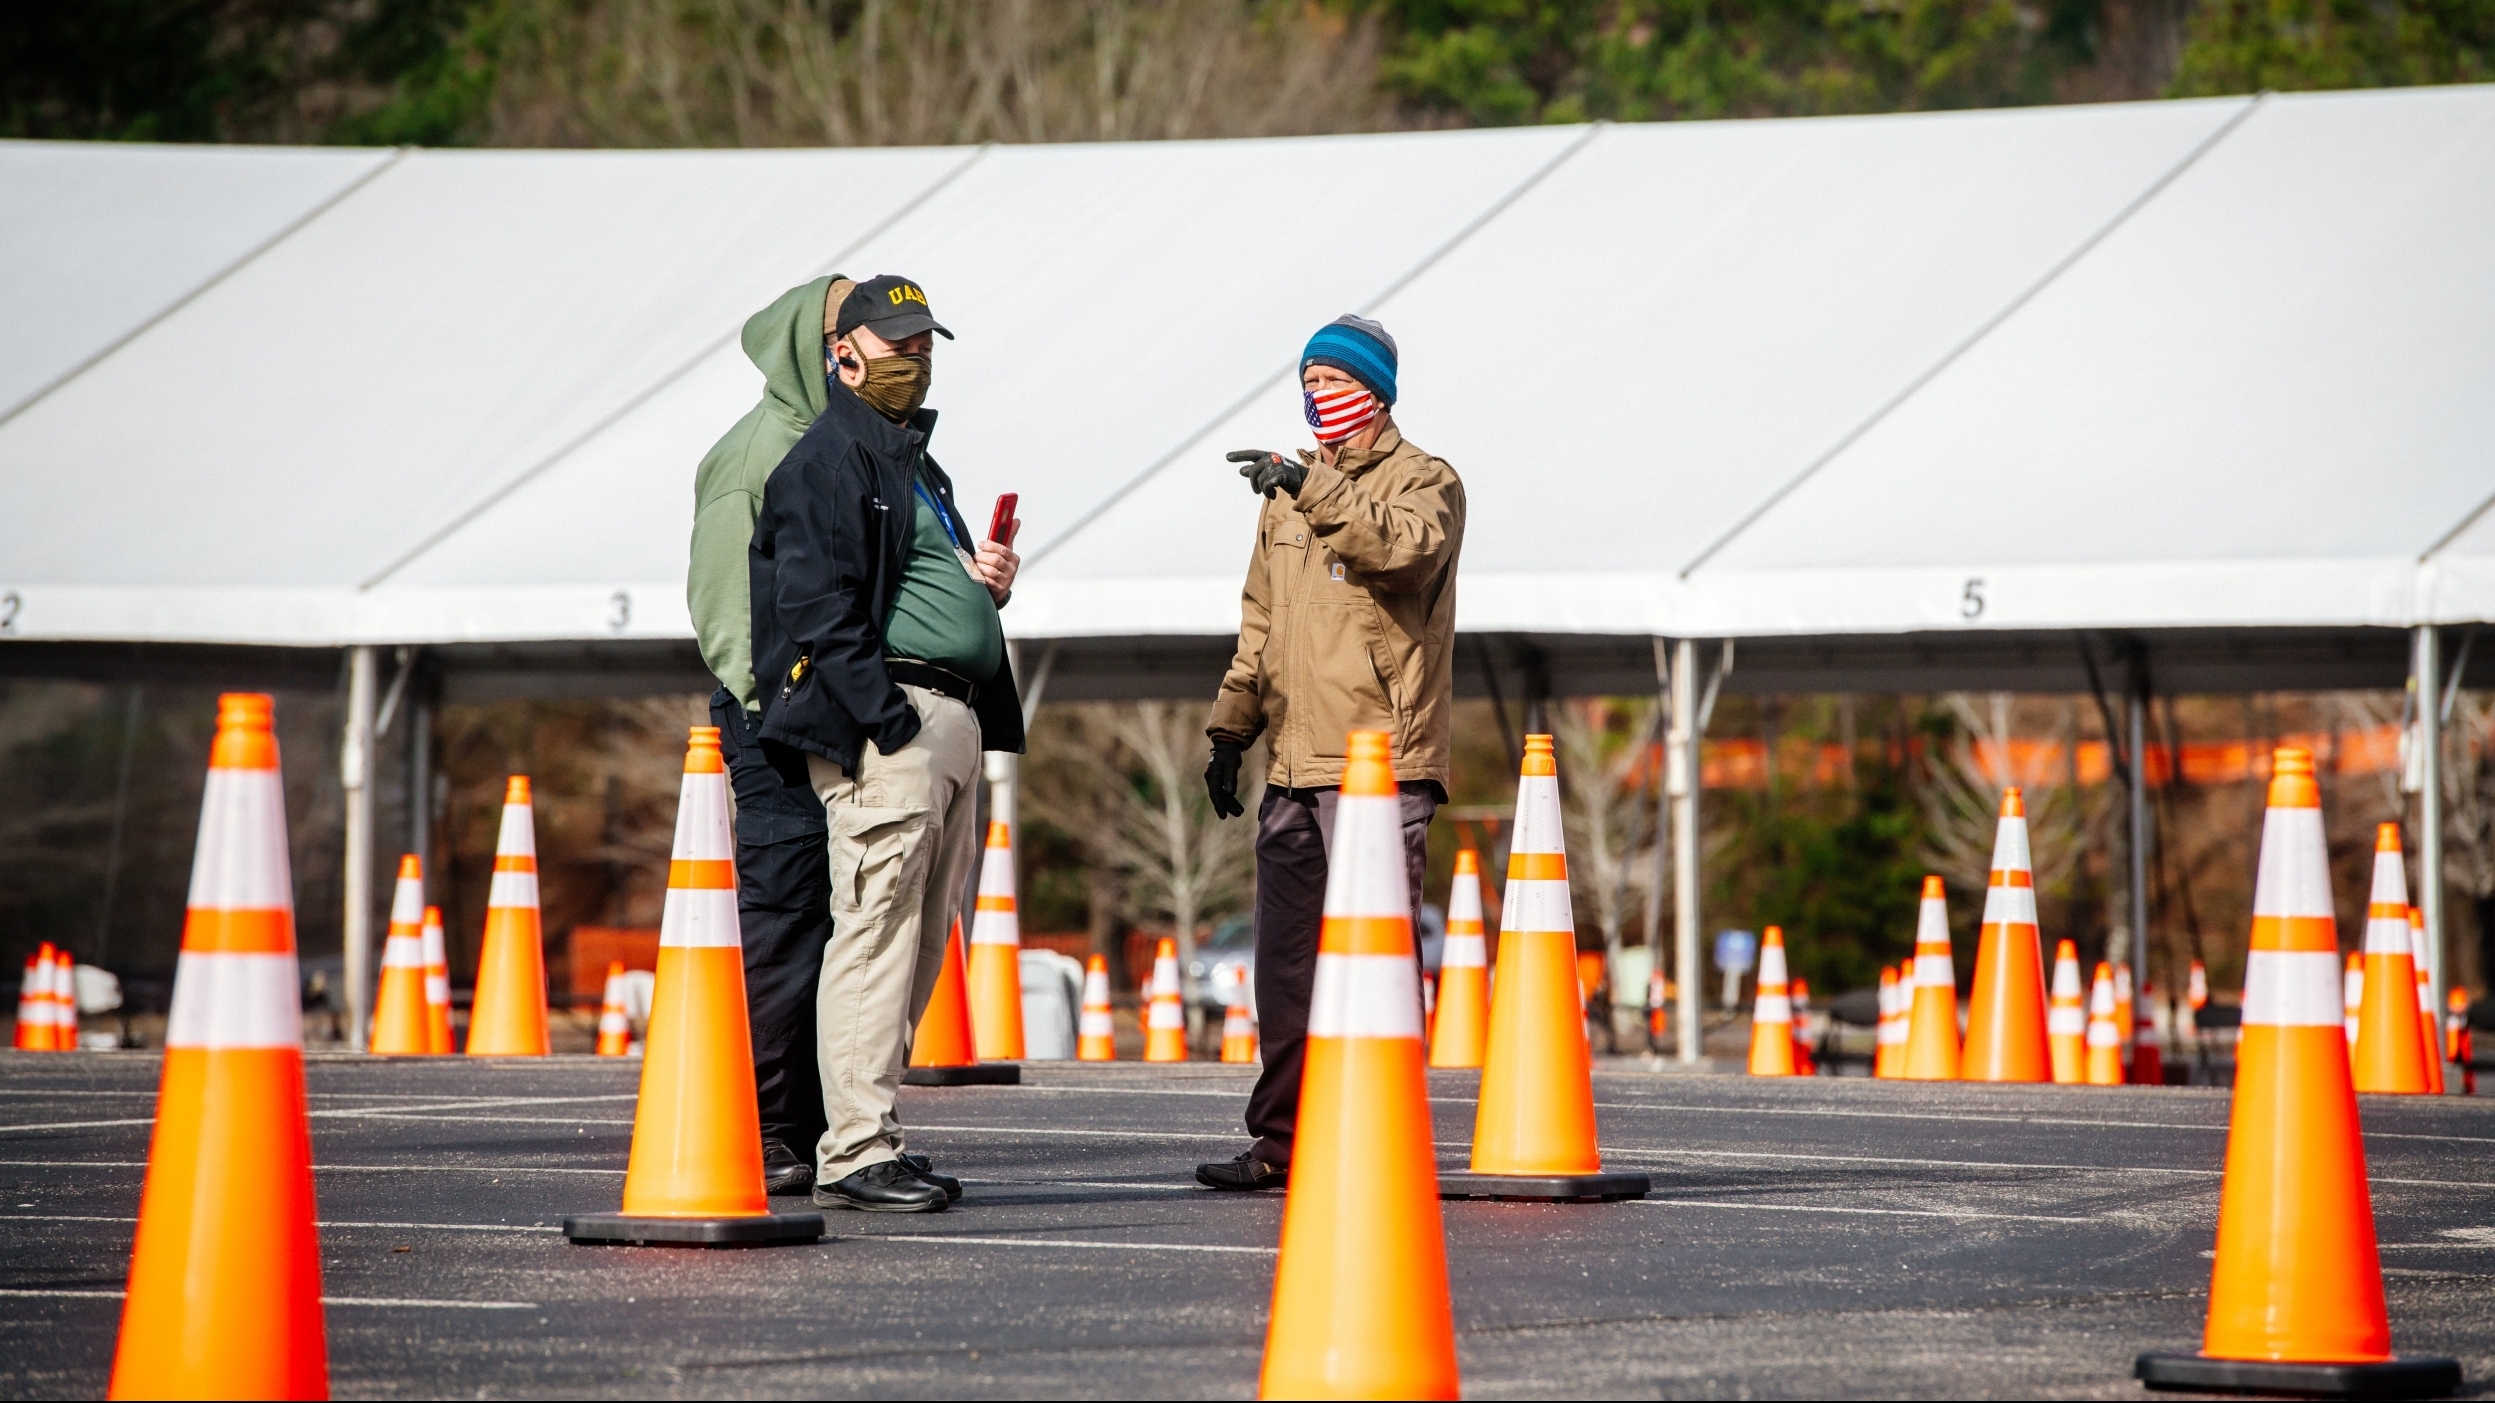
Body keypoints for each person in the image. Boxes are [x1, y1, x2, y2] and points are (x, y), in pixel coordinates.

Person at [751, 274, 1024, 1213]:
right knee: (874, 937)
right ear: (846, 353)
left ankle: (872, 1135)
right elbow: (816, 607)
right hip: (898, 721)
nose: (915, 357)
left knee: (912, 945)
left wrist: (978, 582)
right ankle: (855, 1148)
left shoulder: (905, 460)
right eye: (898, 343)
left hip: (944, 716)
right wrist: (885, 718)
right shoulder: (828, 460)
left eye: (923, 342)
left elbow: (902, 584)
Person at [1196, 314, 1465, 1190]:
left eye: (1337, 380)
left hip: (1378, 762)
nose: (1320, 395)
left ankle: (1378, 1137)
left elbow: (1404, 555)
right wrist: (1231, 727)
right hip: (1293, 763)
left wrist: (1308, 486)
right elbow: (1260, 623)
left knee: (1374, 959)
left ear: (1377, 390)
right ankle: (1282, 1141)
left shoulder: (1426, 480)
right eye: (1308, 380)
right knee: (1285, 966)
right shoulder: (1287, 497)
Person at [686, 274, 855, 1196]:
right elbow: (722, 606)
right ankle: (771, 1128)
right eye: (841, 331)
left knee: (843, 928)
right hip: (781, 726)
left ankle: (824, 1129)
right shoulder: (754, 454)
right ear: (806, 341)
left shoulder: (855, 446)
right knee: (788, 924)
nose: (862, 347)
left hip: (849, 720)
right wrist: (777, 705)